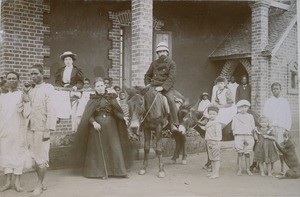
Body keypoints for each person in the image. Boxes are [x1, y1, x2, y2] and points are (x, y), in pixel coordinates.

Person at [73, 77, 132, 179]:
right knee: (99, 150)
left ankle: (119, 171)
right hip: (97, 128)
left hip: (111, 127)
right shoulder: (92, 99)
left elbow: (116, 112)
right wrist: (94, 123)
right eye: (97, 86)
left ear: (105, 86)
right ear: (94, 88)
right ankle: (101, 173)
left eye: (101, 85)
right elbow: (88, 115)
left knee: (114, 147)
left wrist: (124, 117)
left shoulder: (111, 97)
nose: (100, 88)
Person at [22, 64, 57, 196]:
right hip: (30, 128)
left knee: (41, 158)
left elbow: (51, 110)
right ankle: (41, 183)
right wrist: (25, 93)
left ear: (42, 74)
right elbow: (25, 110)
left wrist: (48, 130)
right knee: (34, 157)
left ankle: (39, 185)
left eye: (35, 73)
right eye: (31, 74)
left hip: (42, 129)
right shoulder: (30, 90)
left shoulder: (48, 88)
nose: (32, 76)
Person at [144, 42, 180, 132]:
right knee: (142, 100)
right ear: (157, 54)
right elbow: (147, 76)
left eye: (164, 51)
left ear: (167, 53)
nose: (162, 53)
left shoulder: (172, 63)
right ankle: (142, 123)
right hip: (153, 86)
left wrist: (163, 87)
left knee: (171, 100)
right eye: (160, 52)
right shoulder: (154, 63)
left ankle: (174, 123)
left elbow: (171, 78)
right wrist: (148, 85)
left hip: (166, 87)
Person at [0, 72, 26, 192]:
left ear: (18, 81)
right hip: (5, 130)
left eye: (14, 78)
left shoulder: (22, 94)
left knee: (18, 154)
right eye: (9, 79)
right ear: (6, 81)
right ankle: (7, 182)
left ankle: (17, 183)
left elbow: (26, 112)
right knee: (6, 154)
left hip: (18, 129)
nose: (11, 80)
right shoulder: (2, 96)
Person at [263, 82, 292, 175]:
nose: (275, 91)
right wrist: (267, 126)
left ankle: (282, 168)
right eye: (274, 89)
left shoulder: (284, 101)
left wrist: (287, 128)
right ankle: (271, 168)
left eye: (277, 89)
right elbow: (265, 115)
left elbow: (288, 115)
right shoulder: (269, 101)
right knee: (271, 148)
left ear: (280, 90)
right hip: (272, 127)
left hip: (281, 128)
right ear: (271, 90)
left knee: (281, 148)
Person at [232, 100, 255, 176]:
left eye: (245, 107)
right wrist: (235, 134)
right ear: (239, 108)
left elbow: (253, 126)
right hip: (239, 135)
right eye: (241, 107)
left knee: (247, 153)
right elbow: (233, 126)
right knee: (240, 153)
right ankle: (240, 169)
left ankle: (248, 169)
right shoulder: (236, 116)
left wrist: (252, 134)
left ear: (248, 108)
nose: (243, 109)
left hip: (248, 135)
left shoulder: (250, 116)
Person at [204, 106, 222, 179]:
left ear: (217, 114)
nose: (212, 116)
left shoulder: (217, 123)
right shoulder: (209, 122)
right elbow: (205, 129)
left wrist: (217, 143)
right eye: (210, 114)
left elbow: (218, 134)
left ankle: (216, 173)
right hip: (209, 141)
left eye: (213, 114)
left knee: (216, 158)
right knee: (211, 158)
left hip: (215, 142)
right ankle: (213, 172)